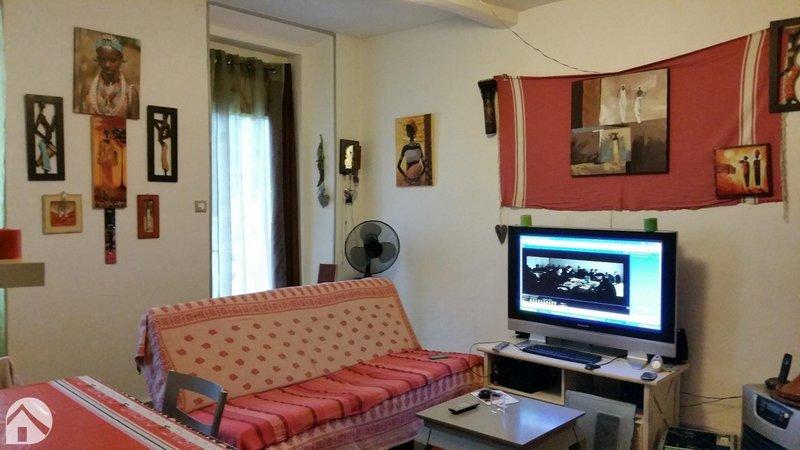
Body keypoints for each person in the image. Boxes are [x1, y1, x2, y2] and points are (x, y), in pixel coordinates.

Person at [79, 34, 138, 118]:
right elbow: (80, 120)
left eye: (113, 60)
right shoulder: (88, 87)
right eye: (103, 60)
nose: (107, 65)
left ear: (121, 59)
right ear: (97, 59)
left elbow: (135, 124)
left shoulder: (130, 93)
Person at [33, 102, 57, 173]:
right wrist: (44, 137)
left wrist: (53, 121)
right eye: (43, 104)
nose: (44, 105)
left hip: (47, 138)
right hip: (46, 139)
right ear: (41, 106)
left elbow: (51, 130)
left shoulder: (42, 115)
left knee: (50, 151)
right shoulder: (40, 116)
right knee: (50, 151)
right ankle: (40, 164)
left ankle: (40, 164)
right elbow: (35, 130)